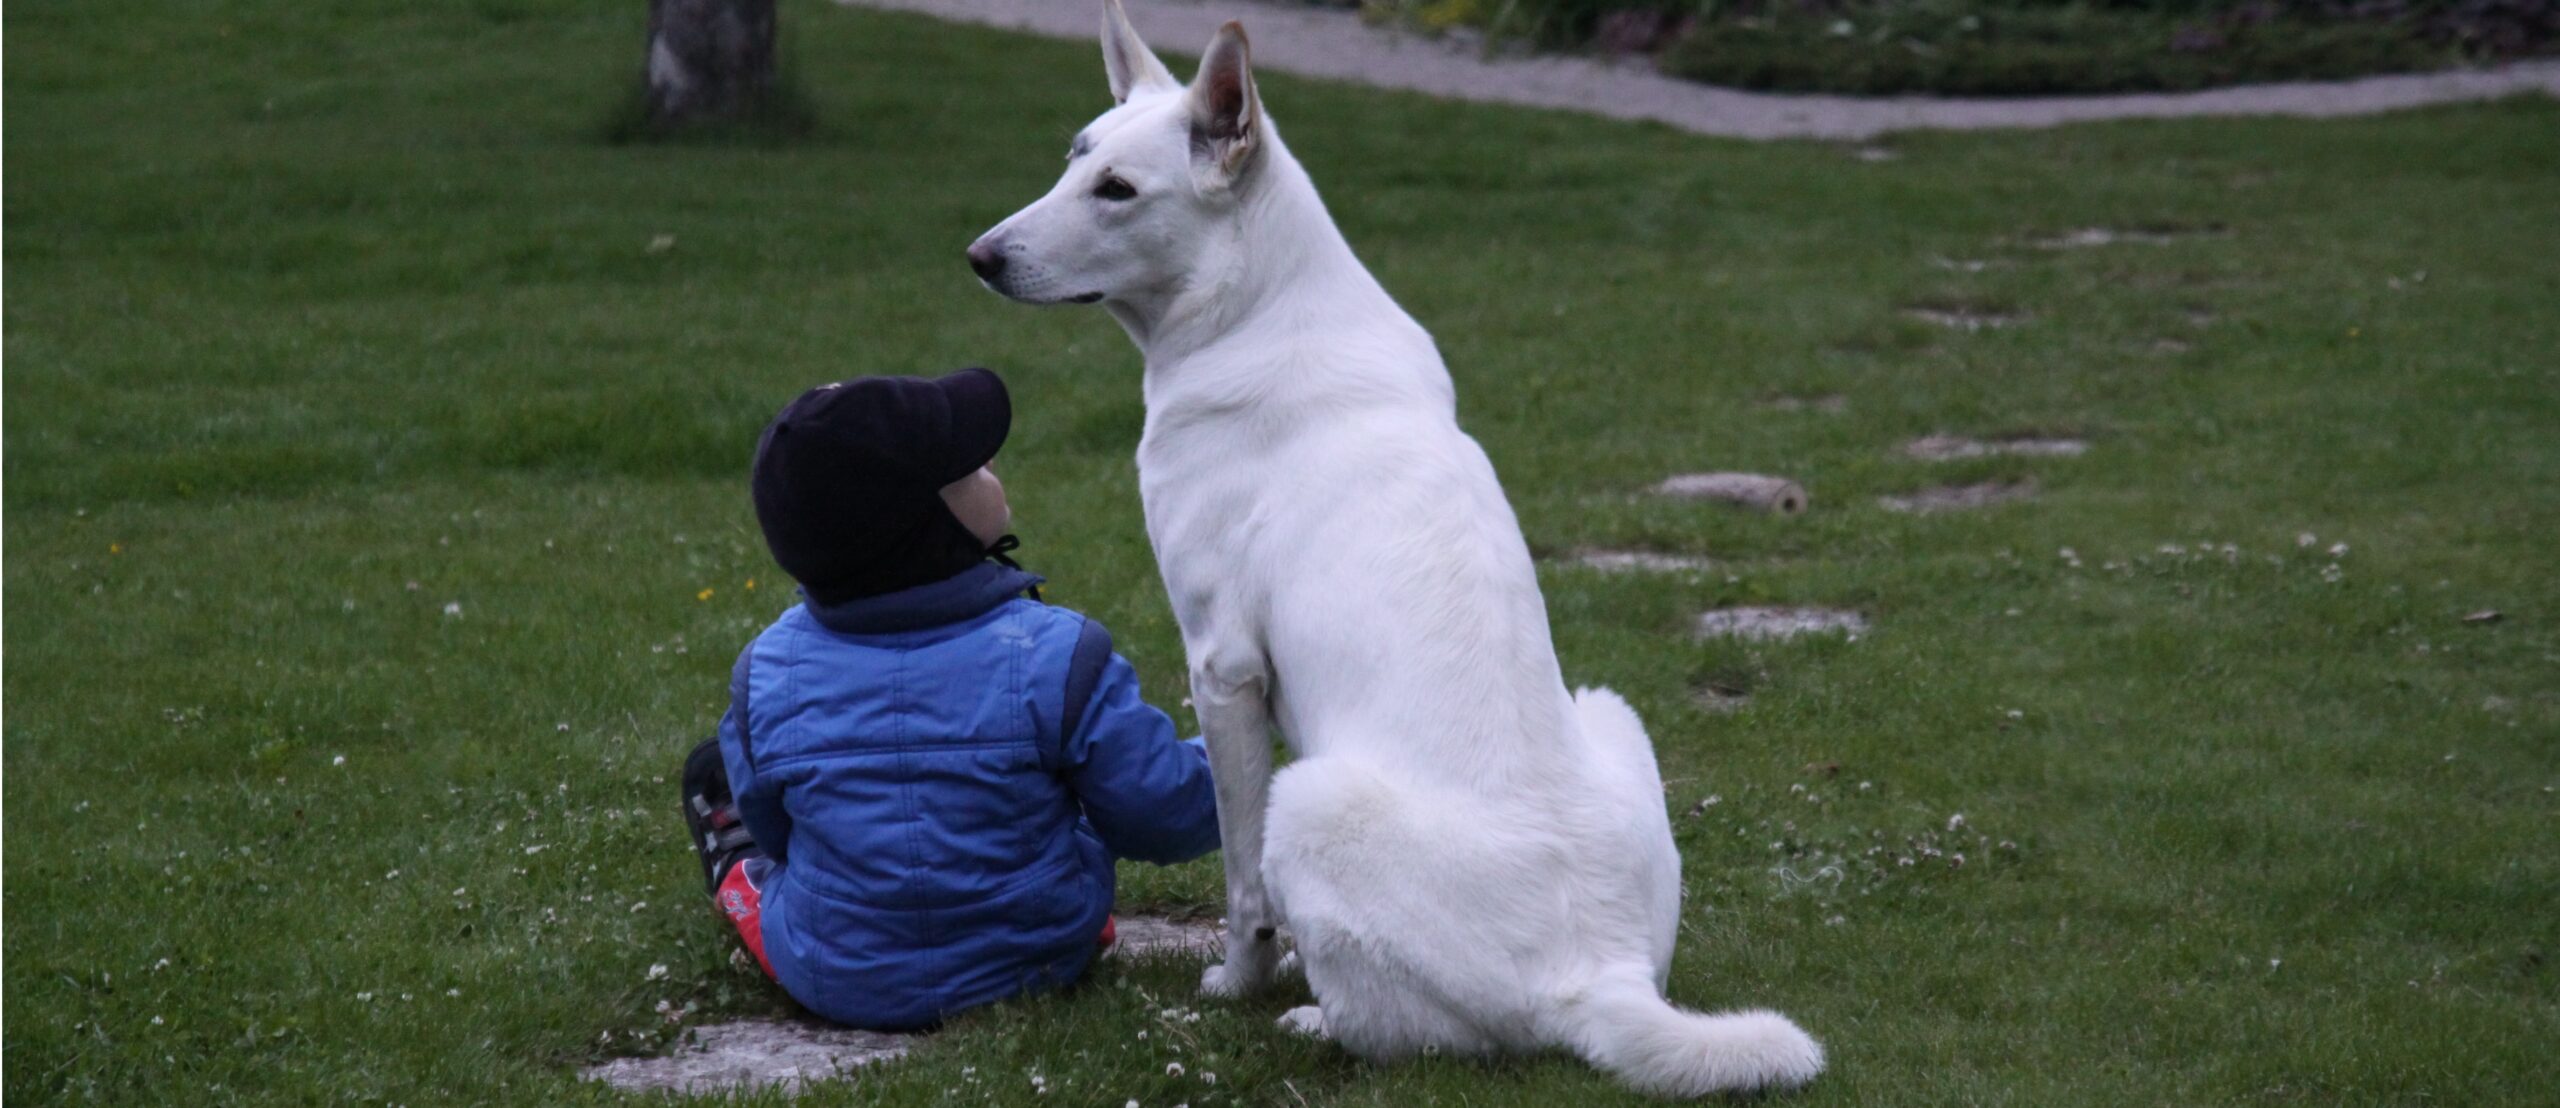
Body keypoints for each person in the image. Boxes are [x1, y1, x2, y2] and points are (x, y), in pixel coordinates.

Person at [680, 368, 1220, 1031]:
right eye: (973, 464)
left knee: (760, 854)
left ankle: (734, 870)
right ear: (927, 519)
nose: (992, 463)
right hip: (1039, 958)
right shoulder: (1058, 654)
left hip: (837, 974)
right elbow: (1160, 813)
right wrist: (1242, 748)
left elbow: (779, 830)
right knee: (1067, 808)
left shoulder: (765, 674)